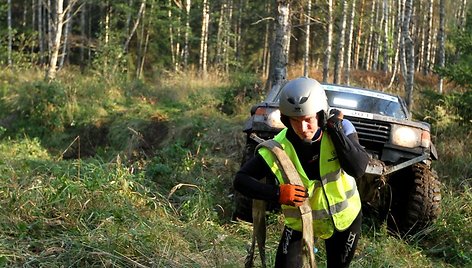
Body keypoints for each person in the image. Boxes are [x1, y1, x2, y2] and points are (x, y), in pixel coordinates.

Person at [233, 77, 370, 268]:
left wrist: (336, 130)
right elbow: (240, 180)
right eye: (295, 121)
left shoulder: (341, 130)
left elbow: (358, 169)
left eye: (308, 120)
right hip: (300, 222)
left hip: (344, 220)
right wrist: (278, 194)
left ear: (321, 115)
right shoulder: (278, 147)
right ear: (286, 120)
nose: (303, 128)